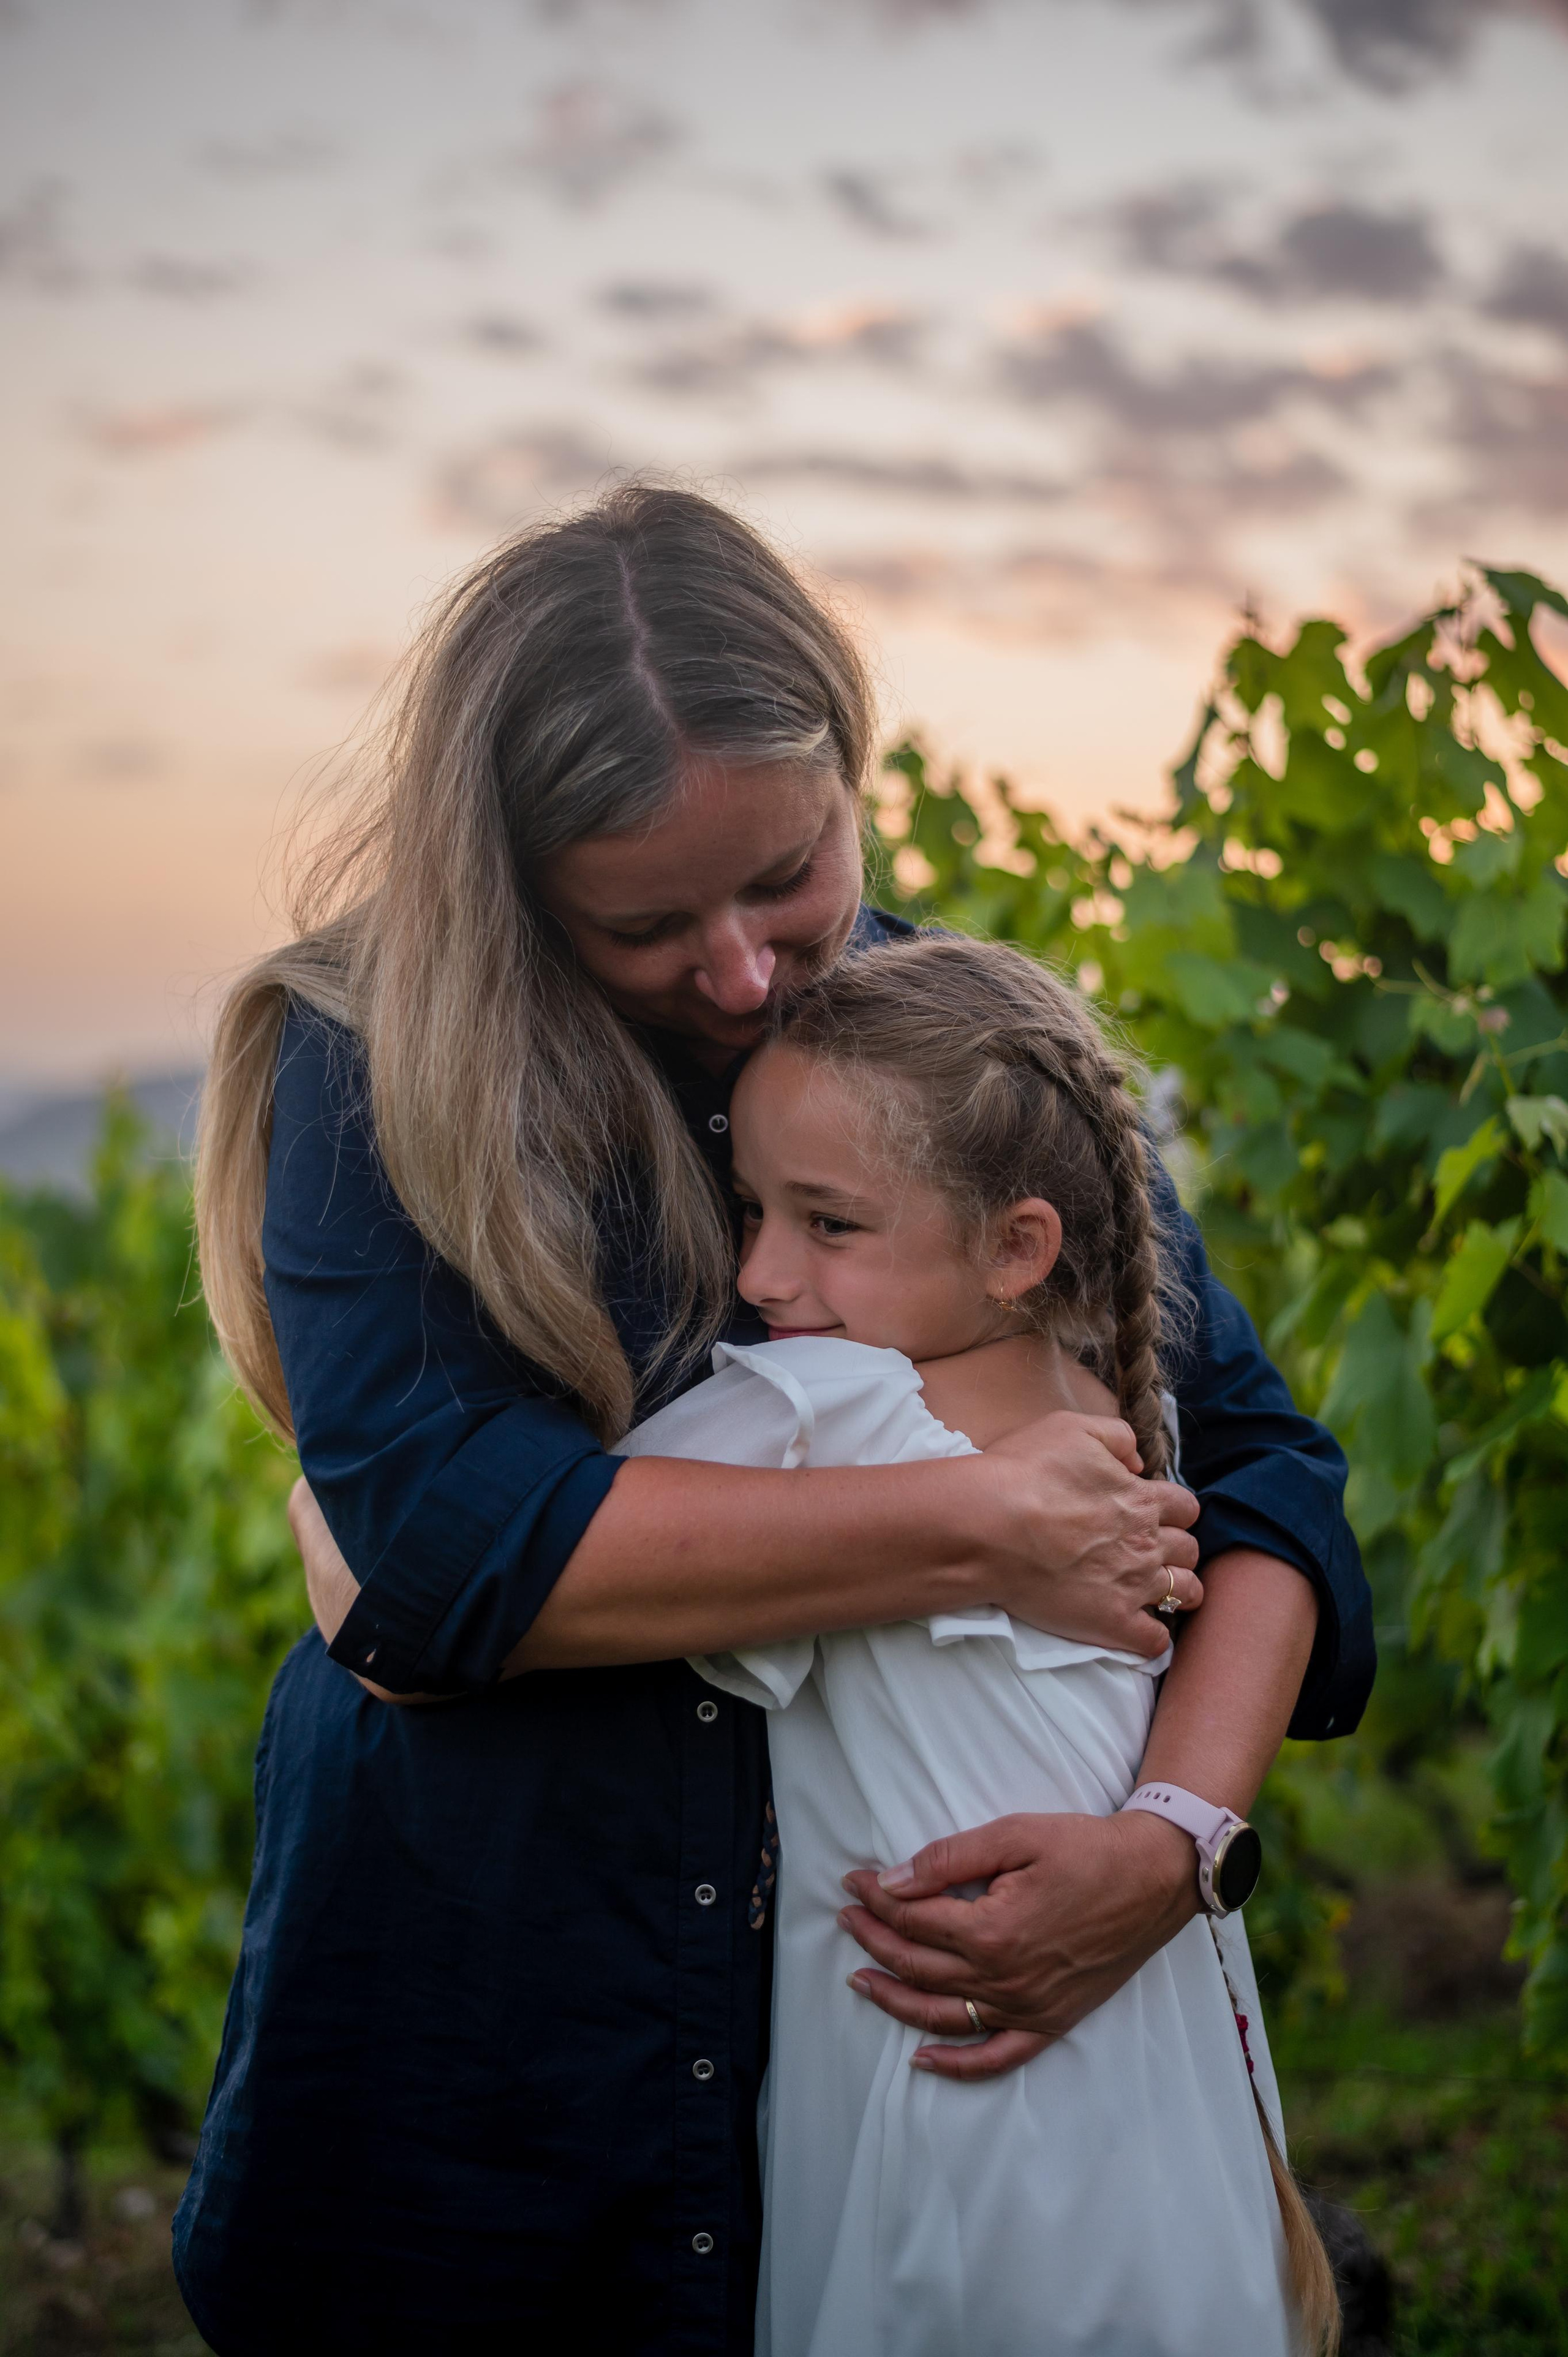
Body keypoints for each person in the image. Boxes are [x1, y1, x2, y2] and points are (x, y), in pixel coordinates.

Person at [176, 485, 1370, 2355]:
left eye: (787, 882)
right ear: (515, 874)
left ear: (850, 772)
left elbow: (1265, 1471)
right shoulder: (372, 1065)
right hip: (494, 2053)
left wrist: (1170, 1843)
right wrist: (985, 1527)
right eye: (647, 922)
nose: (739, 973)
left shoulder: (961, 1051)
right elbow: (433, 1565)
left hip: (869, 2085)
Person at [617, 933, 1337, 2357]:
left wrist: (335, 1504)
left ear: (1019, 1246)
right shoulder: (1131, 1419)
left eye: (827, 1224)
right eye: (750, 1205)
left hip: (939, 2056)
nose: (759, 1268)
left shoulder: (813, 1410)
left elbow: (543, 1544)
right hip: (1149, 2045)